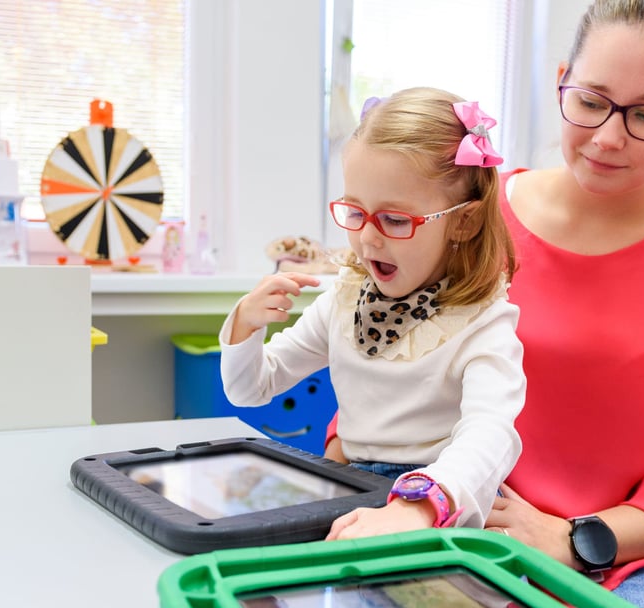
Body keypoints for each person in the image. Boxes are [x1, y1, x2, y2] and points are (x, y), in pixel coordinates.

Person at [325, 0, 644, 608]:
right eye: (591, 100)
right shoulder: (468, 218)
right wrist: (348, 458)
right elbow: (388, 346)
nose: (607, 136)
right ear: (560, 82)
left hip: (629, 561)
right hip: (436, 518)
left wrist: (576, 538)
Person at [219, 87, 525, 531]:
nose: (367, 238)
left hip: (442, 497)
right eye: (354, 212)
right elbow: (251, 389)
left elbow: (489, 436)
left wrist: (420, 505)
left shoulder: (484, 324)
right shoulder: (344, 301)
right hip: (352, 483)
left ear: (464, 220)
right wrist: (247, 324)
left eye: (396, 220)